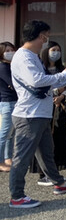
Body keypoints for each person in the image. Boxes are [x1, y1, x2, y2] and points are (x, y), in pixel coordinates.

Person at [8, 20, 66, 208]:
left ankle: (59, 183)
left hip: (39, 114)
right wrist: (65, 74)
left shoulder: (31, 56)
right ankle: (17, 196)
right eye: (46, 37)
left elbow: (45, 83)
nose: (46, 41)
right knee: (22, 157)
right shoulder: (24, 57)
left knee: (47, 152)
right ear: (40, 36)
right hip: (29, 115)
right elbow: (37, 81)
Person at [35, 41, 66, 185]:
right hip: (44, 109)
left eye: (58, 50)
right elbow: (41, 87)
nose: (56, 53)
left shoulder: (62, 69)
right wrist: (57, 92)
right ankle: (43, 173)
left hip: (60, 108)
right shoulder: (40, 68)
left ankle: (55, 171)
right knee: (45, 142)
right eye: (53, 50)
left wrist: (62, 96)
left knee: (58, 139)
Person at [0, 42, 17, 172]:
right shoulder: (3, 67)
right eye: (7, 51)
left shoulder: (10, 66)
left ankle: (7, 158)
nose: (10, 52)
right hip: (8, 102)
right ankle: (1, 161)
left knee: (11, 134)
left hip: (13, 102)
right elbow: (13, 84)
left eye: (12, 50)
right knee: (5, 134)